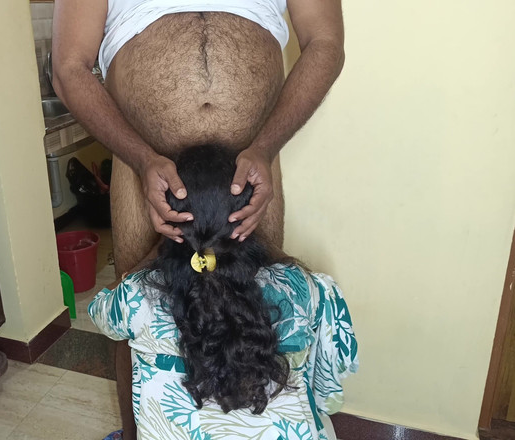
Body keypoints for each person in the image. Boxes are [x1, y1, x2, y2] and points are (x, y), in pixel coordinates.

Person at [52, 1, 344, 438]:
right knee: (140, 321)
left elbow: (325, 43)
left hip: (249, 177)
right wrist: (142, 158)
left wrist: (265, 147)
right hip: (142, 169)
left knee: (259, 313)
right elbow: (68, 68)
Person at [88, 145, 358, 440]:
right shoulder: (306, 289)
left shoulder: (137, 297)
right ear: (249, 215)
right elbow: (329, 397)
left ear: (169, 221)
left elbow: (99, 310)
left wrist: (158, 249)